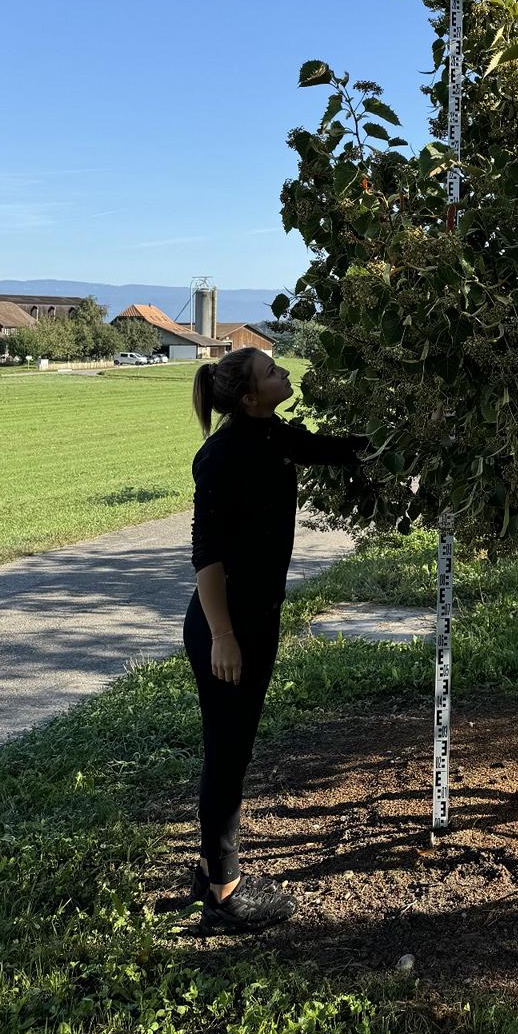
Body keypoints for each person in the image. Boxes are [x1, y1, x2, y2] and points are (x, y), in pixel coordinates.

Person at [183, 346, 369, 932]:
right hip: (226, 627)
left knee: (233, 745)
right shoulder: (221, 456)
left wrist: (405, 440)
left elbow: (338, 450)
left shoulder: (276, 436)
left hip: (256, 620)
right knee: (228, 751)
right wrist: (223, 637)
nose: (284, 373)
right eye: (273, 371)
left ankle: (216, 868)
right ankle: (224, 894)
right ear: (248, 395)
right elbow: (207, 557)